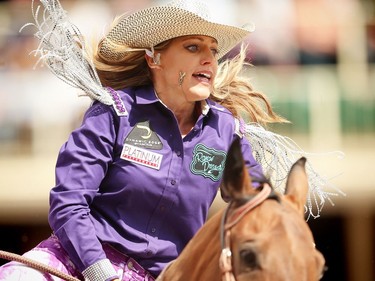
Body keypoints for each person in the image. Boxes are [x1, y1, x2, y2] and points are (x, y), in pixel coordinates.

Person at [0, 0, 286, 280]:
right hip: (78, 264)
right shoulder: (114, 113)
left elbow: (255, 205)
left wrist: (285, 233)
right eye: (192, 47)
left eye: (213, 49)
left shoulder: (227, 131)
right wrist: (99, 272)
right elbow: (69, 203)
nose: (209, 59)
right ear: (154, 58)